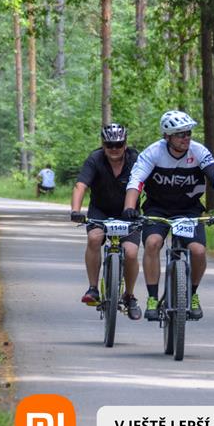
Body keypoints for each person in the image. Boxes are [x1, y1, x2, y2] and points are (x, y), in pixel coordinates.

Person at [122, 110, 214, 321]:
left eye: (188, 133)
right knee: (153, 243)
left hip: (189, 209)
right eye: (180, 134)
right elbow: (136, 180)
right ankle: (152, 298)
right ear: (167, 136)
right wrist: (129, 207)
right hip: (158, 208)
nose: (186, 138)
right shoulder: (153, 152)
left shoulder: (198, 151)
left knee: (198, 251)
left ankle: (192, 294)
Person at [70, 124, 142, 320]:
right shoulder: (95, 159)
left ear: (125, 144)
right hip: (100, 210)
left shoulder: (135, 159)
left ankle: (129, 296)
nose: (114, 149)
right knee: (94, 238)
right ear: (103, 145)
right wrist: (75, 210)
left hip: (128, 213)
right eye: (109, 145)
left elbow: (149, 184)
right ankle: (93, 288)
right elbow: (80, 186)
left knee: (131, 252)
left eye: (118, 144)